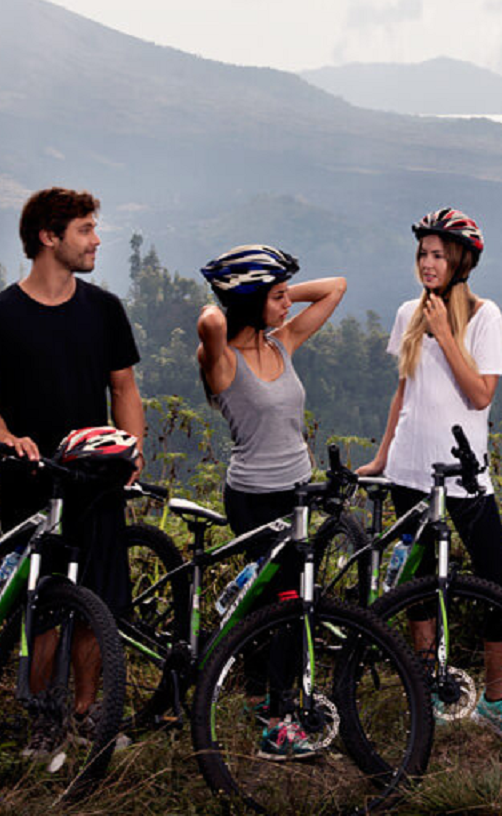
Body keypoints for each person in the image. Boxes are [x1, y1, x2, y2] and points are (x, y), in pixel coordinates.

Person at [0, 186, 145, 748]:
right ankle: (41, 718)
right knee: (40, 609)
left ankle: (85, 715)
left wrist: (132, 446)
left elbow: (124, 388)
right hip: (30, 480)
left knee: (97, 607)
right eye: (85, 229)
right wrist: (9, 439)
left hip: (95, 481)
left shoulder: (104, 310)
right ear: (48, 237)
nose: (96, 240)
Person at [355, 207, 502, 740]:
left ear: (461, 262)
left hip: (463, 470)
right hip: (410, 466)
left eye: (438, 255)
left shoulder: (484, 315)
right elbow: (403, 391)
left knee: (500, 583)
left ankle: (496, 700)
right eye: (423, 254)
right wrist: (383, 457)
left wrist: (444, 334)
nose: (427, 263)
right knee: (420, 582)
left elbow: (480, 396)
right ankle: (430, 688)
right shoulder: (407, 311)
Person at [196, 243, 345, 760]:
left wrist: (276, 293)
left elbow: (336, 288)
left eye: (286, 296)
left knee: (280, 603)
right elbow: (211, 320)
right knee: (286, 605)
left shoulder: (283, 342)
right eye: (277, 296)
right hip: (255, 498)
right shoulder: (222, 361)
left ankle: (261, 697)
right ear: (250, 300)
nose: (287, 304)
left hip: (299, 492)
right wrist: (245, 295)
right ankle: (279, 724)